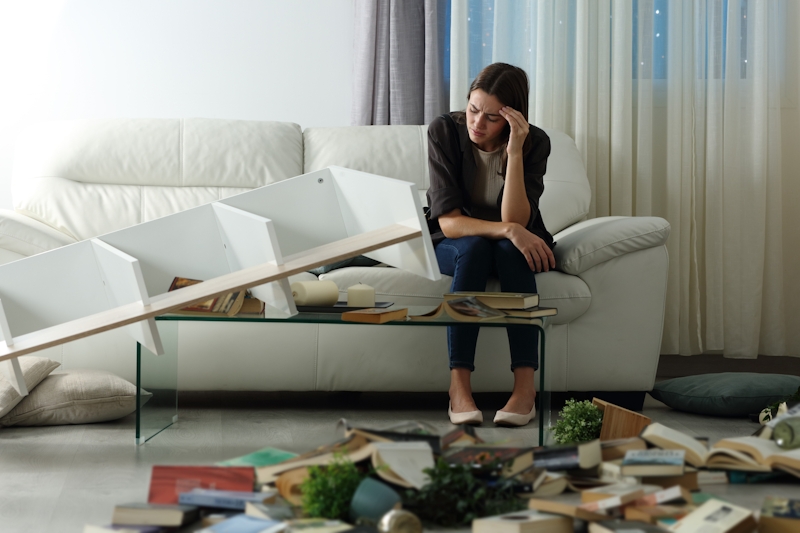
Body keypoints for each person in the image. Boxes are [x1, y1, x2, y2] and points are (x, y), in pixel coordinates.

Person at [426, 63, 555, 427]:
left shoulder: (535, 142)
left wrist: (514, 152)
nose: (477, 124)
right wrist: (509, 231)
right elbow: (449, 223)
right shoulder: (444, 132)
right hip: (457, 242)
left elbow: (516, 219)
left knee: (507, 249)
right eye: (472, 109)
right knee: (478, 247)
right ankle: (459, 387)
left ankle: (525, 389)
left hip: (509, 245)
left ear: (513, 118)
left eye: (492, 117)